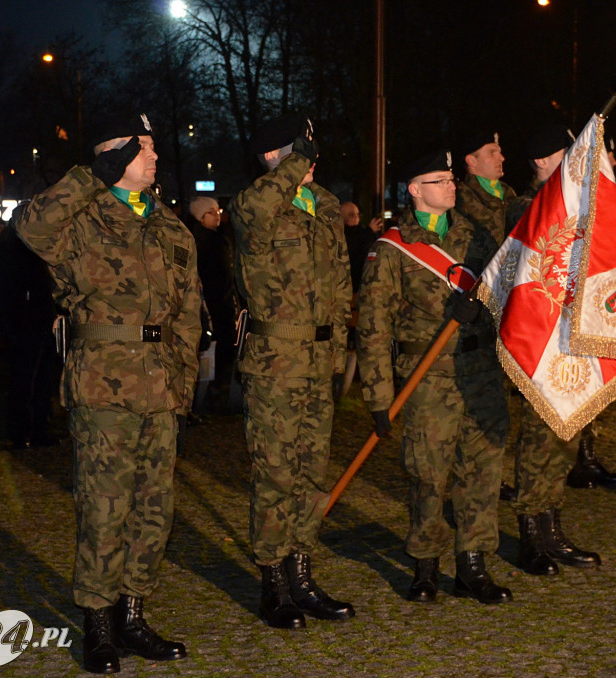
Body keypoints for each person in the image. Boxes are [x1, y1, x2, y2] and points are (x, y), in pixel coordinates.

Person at [16, 113, 199, 674]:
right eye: (141, 147)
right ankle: (97, 622)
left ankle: (133, 615)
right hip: (104, 381)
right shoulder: (79, 216)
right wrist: (89, 175)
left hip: (161, 381)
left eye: (152, 145)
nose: (154, 156)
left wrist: (184, 385)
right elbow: (30, 227)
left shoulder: (170, 226)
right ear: (112, 154)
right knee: (104, 506)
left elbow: (189, 312)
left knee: (153, 506)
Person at [356, 149, 512, 604]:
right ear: (414, 189)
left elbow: (506, 291)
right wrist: (379, 396)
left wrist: (482, 307)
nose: (451, 186)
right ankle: (426, 564)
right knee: (429, 474)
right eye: (439, 180)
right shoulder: (393, 246)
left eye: (450, 179)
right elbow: (373, 324)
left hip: (479, 370)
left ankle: (473, 564)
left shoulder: (477, 236)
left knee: (482, 470)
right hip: (427, 378)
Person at [229, 114, 354, 630]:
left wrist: (341, 351)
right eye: (298, 150)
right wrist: (293, 160)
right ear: (271, 158)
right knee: (275, 475)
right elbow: (258, 208)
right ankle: (273, 583)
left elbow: (342, 284)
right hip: (276, 363)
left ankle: (303, 575)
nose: (311, 159)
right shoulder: (252, 204)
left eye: (311, 149)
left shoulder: (323, 205)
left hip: (318, 362)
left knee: (310, 475)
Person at [502, 125, 602, 575]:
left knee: (566, 437)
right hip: (542, 341)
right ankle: (530, 533)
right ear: (543, 162)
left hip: (573, 338)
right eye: (566, 154)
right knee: (540, 440)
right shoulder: (524, 207)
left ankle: (552, 524)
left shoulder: (583, 203)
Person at [0, 205, 60, 449]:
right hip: (27, 320)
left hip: (34, 319)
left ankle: (33, 428)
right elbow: (11, 289)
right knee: (29, 377)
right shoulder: (19, 249)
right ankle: (27, 429)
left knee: (37, 377)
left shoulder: (21, 247)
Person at [187, 196, 235, 412]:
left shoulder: (220, 239)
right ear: (200, 216)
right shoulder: (199, 242)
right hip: (210, 304)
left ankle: (216, 393)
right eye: (211, 212)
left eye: (218, 211)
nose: (217, 216)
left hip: (223, 303)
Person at [454, 130, 517, 246]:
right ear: (471, 161)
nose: (502, 158)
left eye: (500, 152)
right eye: (492, 153)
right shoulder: (460, 197)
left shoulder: (508, 191)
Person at [341, 201, 384, 292]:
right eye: (352, 215)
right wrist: (369, 232)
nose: (356, 217)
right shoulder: (342, 235)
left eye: (357, 214)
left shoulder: (362, 231)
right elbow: (354, 252)